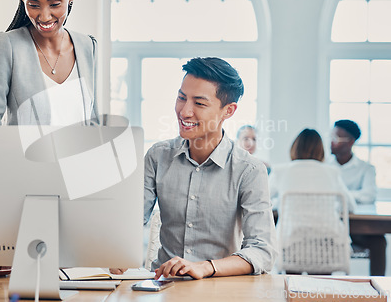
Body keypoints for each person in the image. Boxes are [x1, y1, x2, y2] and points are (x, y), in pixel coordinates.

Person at [111, 57, 277, 279]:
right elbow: (130, 221)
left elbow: (262, 250)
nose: (184, 111)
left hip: (220, 287)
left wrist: (206, 267)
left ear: (228, 111)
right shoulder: (158, 156)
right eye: (181, 98)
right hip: (162, 285)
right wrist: (115, 249)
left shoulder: (249, 170)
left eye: (199, 103)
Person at [329, 119, 386, 276]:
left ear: (350, 142)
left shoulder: (366, 168)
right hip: (329, 227)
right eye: (331, 137)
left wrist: (341, 196)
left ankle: (378, 288)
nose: (331, 142)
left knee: (379, 241)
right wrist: (351, 196)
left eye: (336, 138)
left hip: (357, 228)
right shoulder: (325, 167)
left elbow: (369, 195)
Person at [269, 128, 356, 213]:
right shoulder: (332, 172)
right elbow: (350, 206)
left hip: (290, 227)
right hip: (327, 227)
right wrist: (331, 207)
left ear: (294, 148)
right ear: (321, 150)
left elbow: (260, 202)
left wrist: (280, 204)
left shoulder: (279, 171)